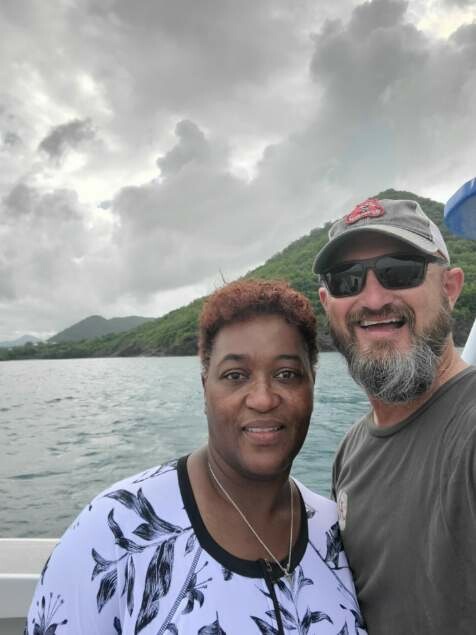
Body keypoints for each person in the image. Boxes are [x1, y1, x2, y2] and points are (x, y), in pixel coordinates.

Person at [26, 279, 366, 635]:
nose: (263, 399)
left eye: (286, 374)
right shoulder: (117, 532)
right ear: (205, 388)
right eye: (235, 375)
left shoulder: (334, 532)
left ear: (312, 383)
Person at [313, 197, 476, 634]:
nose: (373, 299)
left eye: (400, 271)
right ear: (327, 302)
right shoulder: (350, 453)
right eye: (347, 280)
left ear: (450, 287)